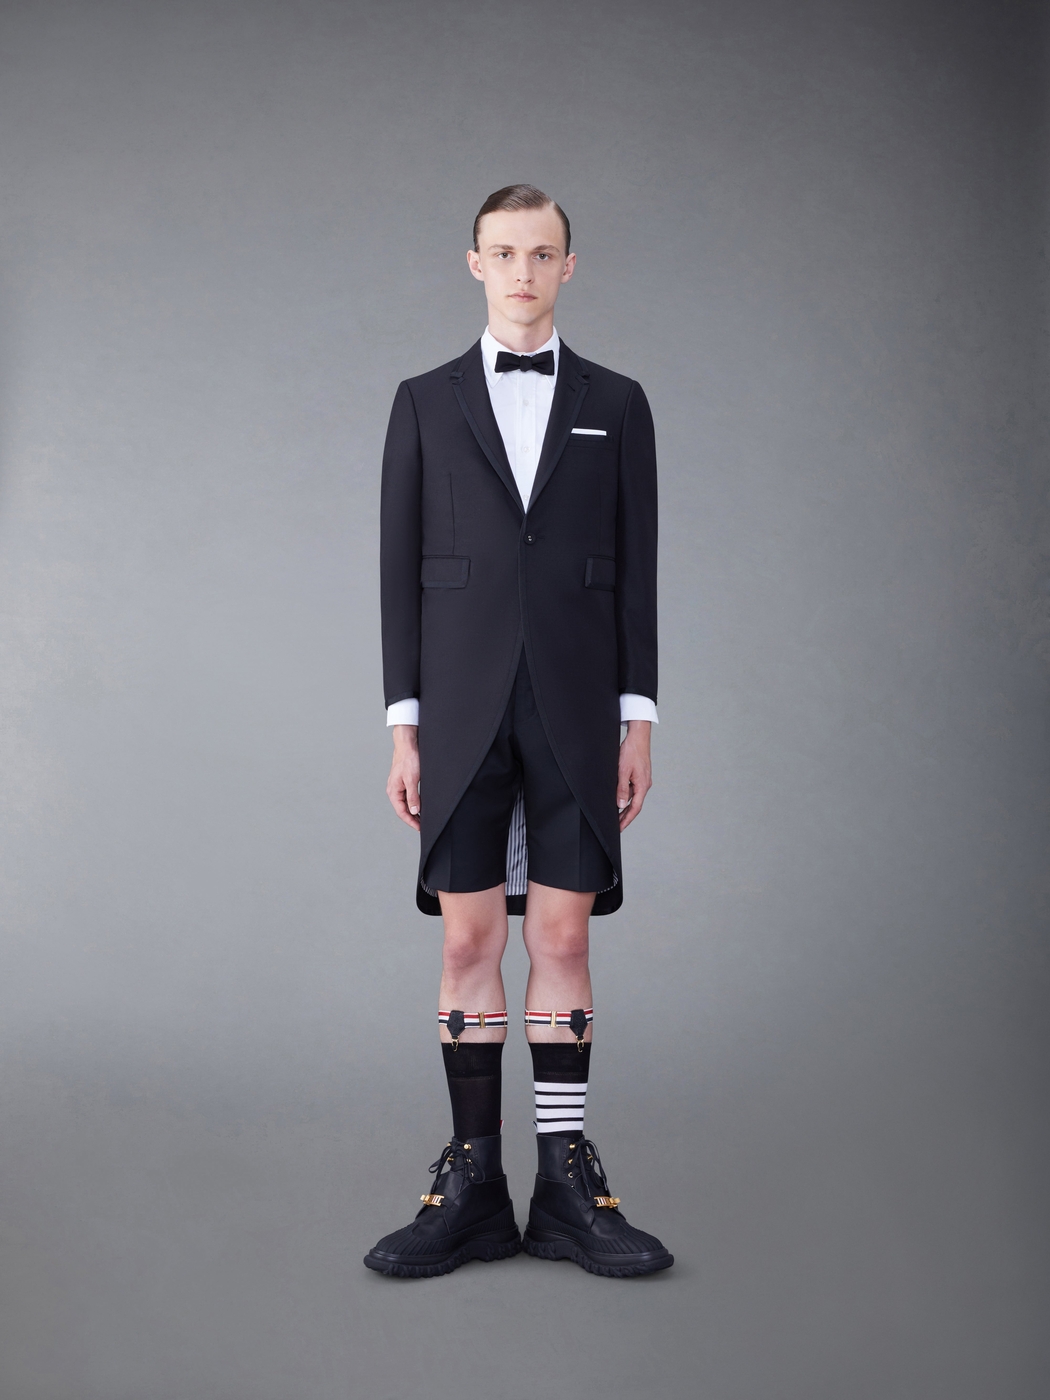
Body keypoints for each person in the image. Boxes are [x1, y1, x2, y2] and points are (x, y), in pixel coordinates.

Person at [365, 184, 672, 1279]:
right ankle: (474, 1186)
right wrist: (404, 726)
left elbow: (638, 572)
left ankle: (567, 1189)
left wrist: (639, 717)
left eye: (542, 254)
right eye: (505, 253)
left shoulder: (619, 403)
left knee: (564, 940)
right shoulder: (422, 402)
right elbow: (398, 572)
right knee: (465, 943)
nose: (524, 273)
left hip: (579, 707)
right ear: (475, 263)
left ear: (568, 267)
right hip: (457, 709)